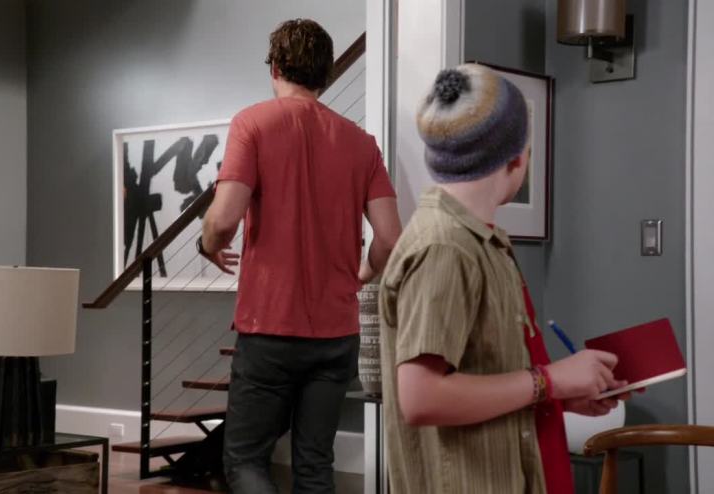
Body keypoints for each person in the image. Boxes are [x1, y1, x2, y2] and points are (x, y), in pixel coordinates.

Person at [379, 64, 629, 494]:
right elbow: (421, 397)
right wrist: (549, 381)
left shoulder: (482, 242)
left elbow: (484, 375)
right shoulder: (445, 247)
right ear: (517, 158)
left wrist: (559, 396)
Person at [199, 18, 402, 494]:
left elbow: (223, 221)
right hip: (336, 335)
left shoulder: (252, 123)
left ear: (274, 67)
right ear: (325, 74)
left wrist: (207, 245)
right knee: (314, 465)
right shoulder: (361, 144)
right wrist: (363, 273)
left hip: (269, 327)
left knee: (246, 460)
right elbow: (391, 238)